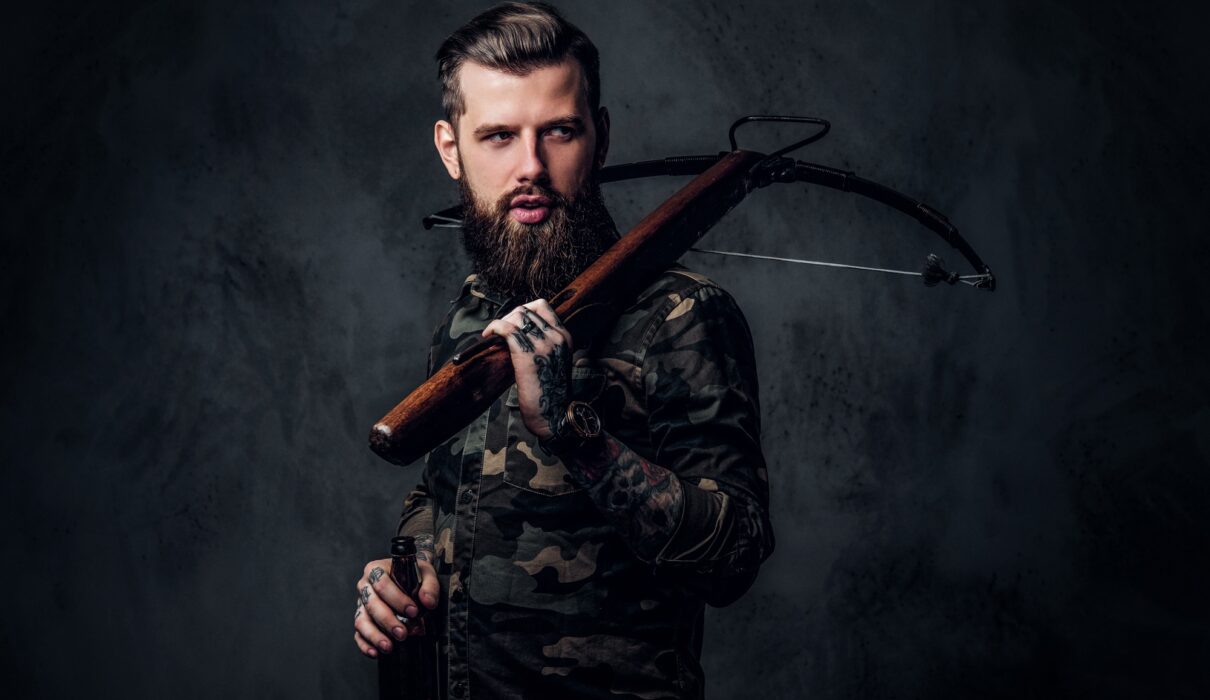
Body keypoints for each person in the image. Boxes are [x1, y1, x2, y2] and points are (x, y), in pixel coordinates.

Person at [353, 3, 774, 698]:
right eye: (497, 137)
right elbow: (440, 493)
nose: (531, 167)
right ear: (449, 148)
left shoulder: (683, 316)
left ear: (599, 138)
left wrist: (573, 433)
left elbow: (735, 557)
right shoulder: (468, 318)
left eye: (560, 132)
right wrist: (411, 565)